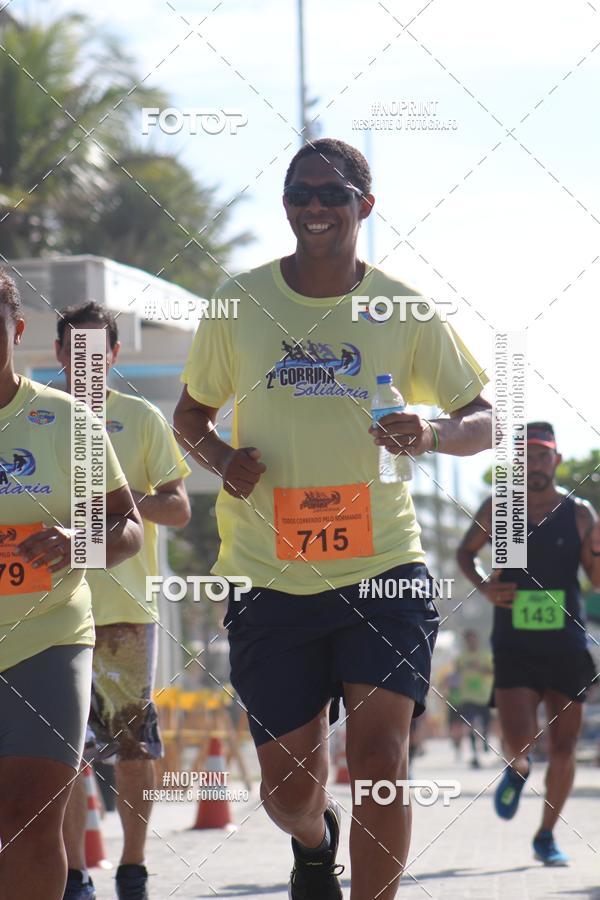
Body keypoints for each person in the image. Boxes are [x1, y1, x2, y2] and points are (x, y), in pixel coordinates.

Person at [174, 137, 492, 900]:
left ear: (364, 206)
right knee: (287, 793)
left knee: (382, 761)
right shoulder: (239, 304)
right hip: (269, 575)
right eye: (300, 194)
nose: (315, 207)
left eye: (333, 194)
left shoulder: (401, 306)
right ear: (286, 205)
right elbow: (191, 416)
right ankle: (317, 846)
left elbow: (483, 417)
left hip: (383, 567)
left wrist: (434, 431)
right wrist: (222, 459)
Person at [0, 269, 143, 900]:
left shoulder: (64, 420)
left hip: (48, 639)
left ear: (18, 328)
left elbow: (128, 527)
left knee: (29, 824)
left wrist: (76, 542)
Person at [55, 302, 191, 900]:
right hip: (46, 612)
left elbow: (180, 507)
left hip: (125, 613)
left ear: (113, 356)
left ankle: (132, 867)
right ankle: (73, 873)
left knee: (133, 749)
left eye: (96, 350)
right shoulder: (35, 413)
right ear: (57, 354)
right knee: (58, 754)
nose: (84, 360)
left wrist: (127, 501)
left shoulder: (139, 417)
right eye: (72, 349)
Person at [457, 421, 600, 866]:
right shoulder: (500, 508)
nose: (533, 463)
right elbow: (465, 553)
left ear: (555, 460)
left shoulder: (579, 513)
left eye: (542, 455)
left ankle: (545, 836)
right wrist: (484, 587)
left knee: (563, 746)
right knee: (519, 742)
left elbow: (595, 577)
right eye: (525, 455)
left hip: (566, 643)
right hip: (514, 641)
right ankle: (517, 771)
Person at [455, 630, 493, 768]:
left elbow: (492, 671)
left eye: (473, 639)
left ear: (477, 640)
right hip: (468, 696)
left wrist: (481, 669)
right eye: (468, 640)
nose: (471, 642)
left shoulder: (485, 655)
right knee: (469, 725)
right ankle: (474, 755)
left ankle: (485, 740)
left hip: (483, 696)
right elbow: (457, 672)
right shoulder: (461, 657)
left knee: (486, 723)